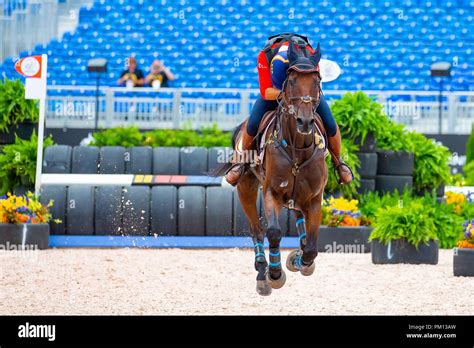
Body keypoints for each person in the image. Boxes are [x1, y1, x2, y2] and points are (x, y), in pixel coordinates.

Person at [225, 33, 353, 186]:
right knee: (252, 124)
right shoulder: (266, 57)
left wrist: (304, 96)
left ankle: (339, 163)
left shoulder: (311, 55)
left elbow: (315, 87)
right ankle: (240, 163)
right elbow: (266, 92)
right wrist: (289, 94)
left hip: (304, 93)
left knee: (330, 124)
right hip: (275, 91)